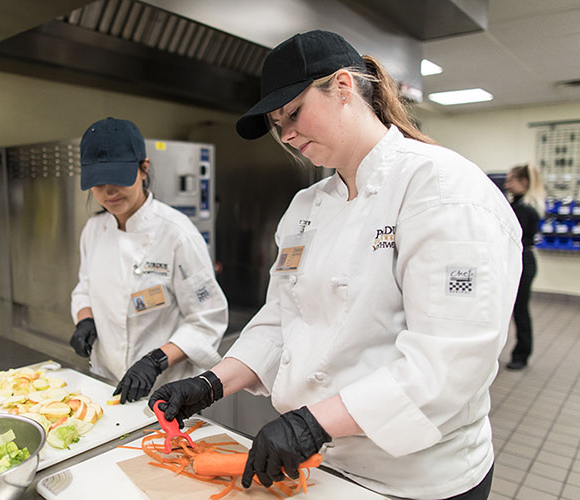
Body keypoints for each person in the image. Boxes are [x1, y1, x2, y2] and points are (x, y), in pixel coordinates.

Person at [149, 30, 523, 500]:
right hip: (324, 464)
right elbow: (282, 321)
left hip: (416, 478)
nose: (285, 134)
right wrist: (210, 383)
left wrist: (311, 422)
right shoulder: (306, 206)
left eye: (294, 113)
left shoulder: (443, 190)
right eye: (276, 123)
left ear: (344, 87)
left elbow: (450, 361)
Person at [69, 117, 228, 404]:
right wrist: (85, 321)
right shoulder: (94, 230)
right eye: (98, 183)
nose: (109, 192)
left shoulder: (177, 234)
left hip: (165, 392)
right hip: (106, 383)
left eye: (118, 178)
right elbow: (84, 287)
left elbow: (207, 319)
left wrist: (155, 361)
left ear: (144, 168)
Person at [503, 163, 544, 370]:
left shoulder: (524, 209)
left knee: (520, 309)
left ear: (524, 182)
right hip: (520, 259)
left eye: (511, 180)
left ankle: (521, 354)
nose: (507, 184)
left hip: (522, 261)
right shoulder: (519, 205)